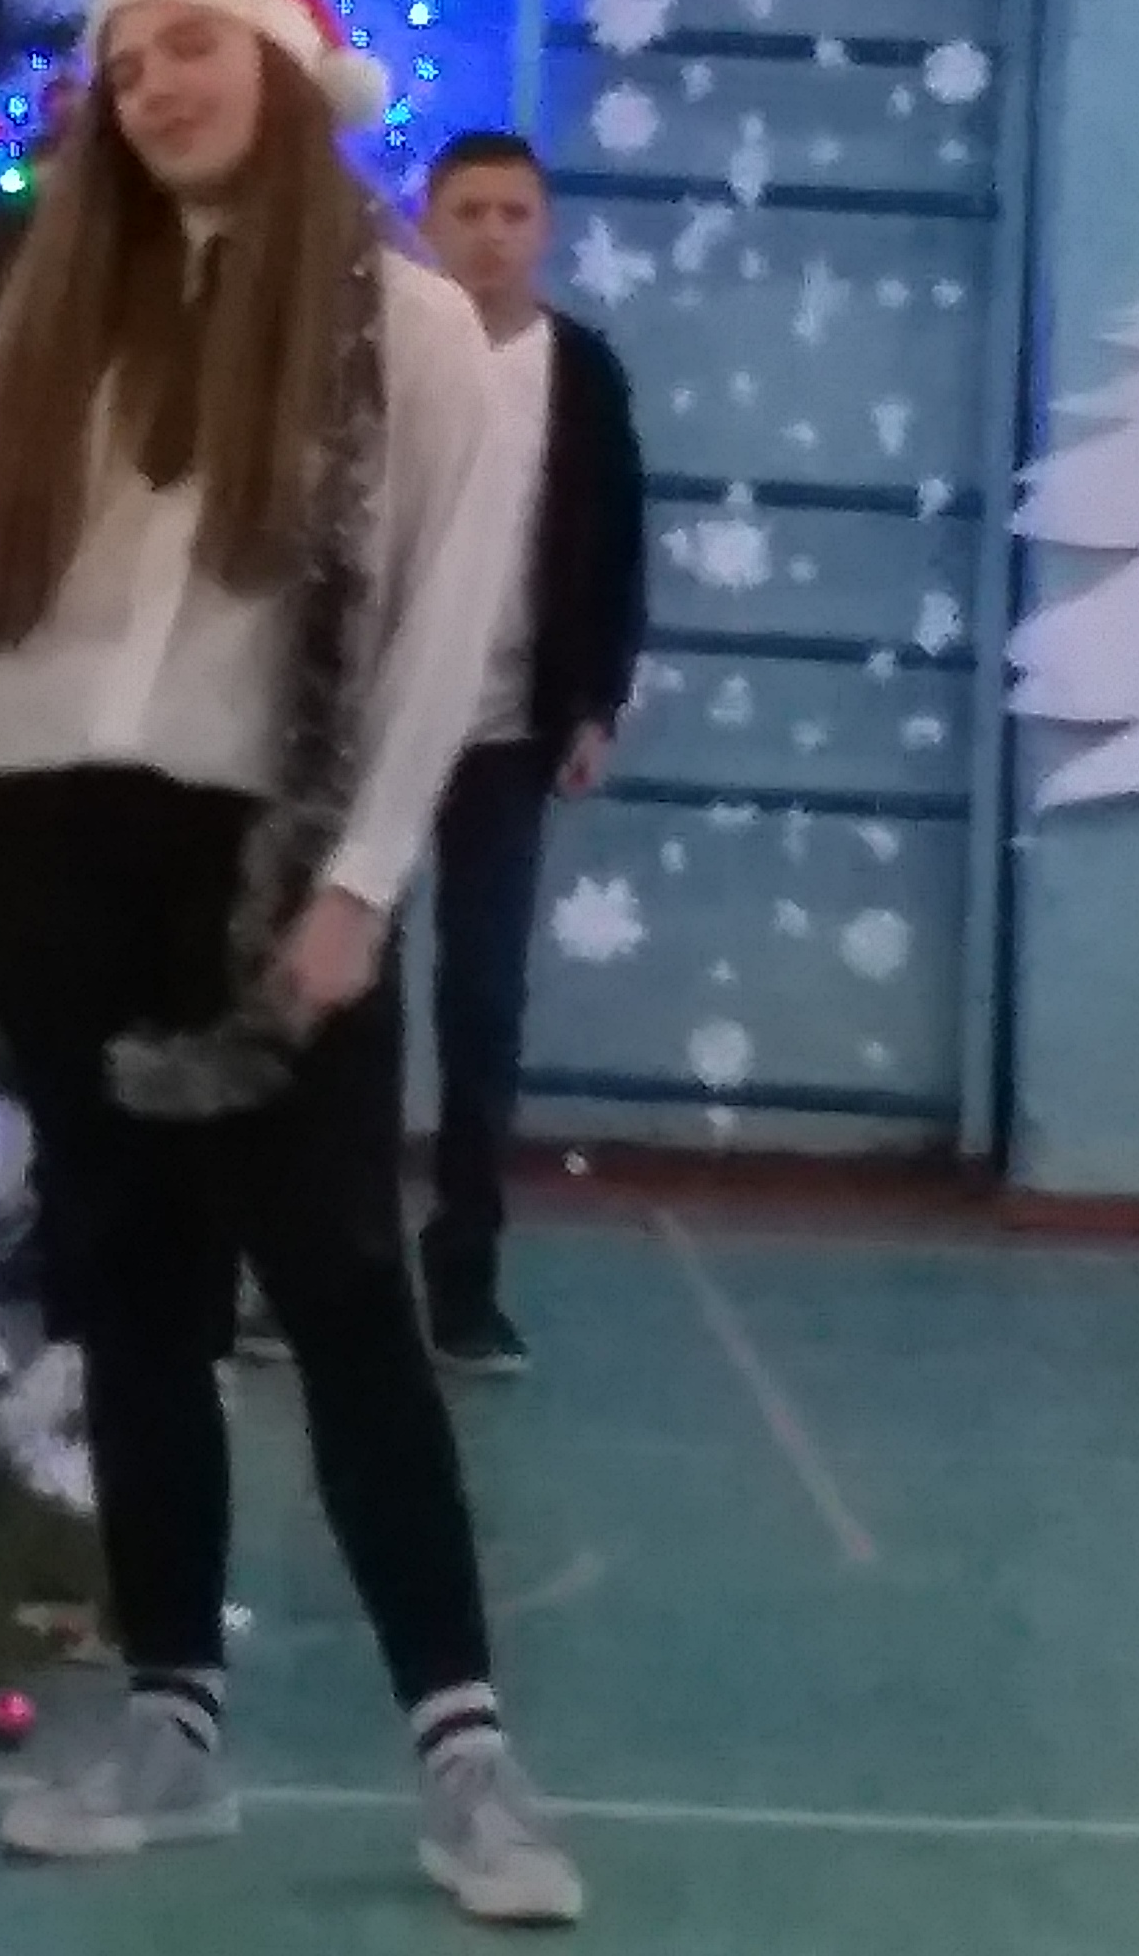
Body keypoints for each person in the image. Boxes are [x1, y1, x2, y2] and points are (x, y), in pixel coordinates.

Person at [0, 0, 583, 1928]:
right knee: (132, 1298)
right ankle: (171, 1722)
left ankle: (467, 1756)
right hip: (49, 845)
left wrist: (355, 886)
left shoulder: (409, 332)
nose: (153, 84)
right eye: (125, 59)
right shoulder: (53, 308)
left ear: (278, 63)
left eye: (189, 44)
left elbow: (439, 631)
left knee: (341, 1297)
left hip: (257, 868)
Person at [412, 134, 646, 1378]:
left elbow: (615, 548)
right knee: (326, 1006)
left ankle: (465, 1285)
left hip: (506, 735)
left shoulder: (582, 373)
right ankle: (300, 1277)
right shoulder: (383, 358)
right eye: (470, 211)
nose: (492, 233)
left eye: (513, 213)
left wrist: (594, 703)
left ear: (543, 230)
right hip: (373, 729)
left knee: (483, 1007)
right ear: (429, 223)